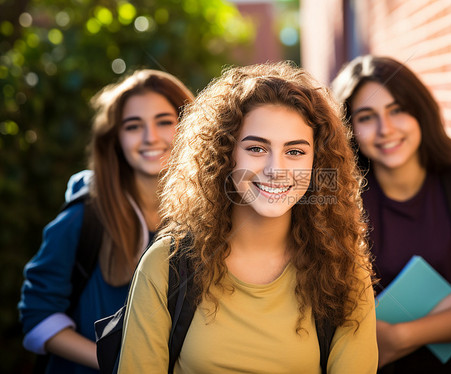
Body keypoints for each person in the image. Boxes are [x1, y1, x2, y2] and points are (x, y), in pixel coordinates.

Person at [117, 61, 378, 373]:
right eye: (256, 148)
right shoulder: (167, 264)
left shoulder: (345, 271)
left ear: (316, 162)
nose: (275, 169)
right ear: (225, 155)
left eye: (295, 152)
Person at [331, 55, 451, 373]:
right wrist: (444, 318)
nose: (385, 129)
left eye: (397, 110)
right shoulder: (339, 201)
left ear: (420, 111)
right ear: (348, 129)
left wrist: (398, 336)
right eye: (366, 117)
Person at [18, 69, 195, 373]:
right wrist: (115, 363)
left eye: (164, 121)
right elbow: (37, 316)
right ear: (115, 139)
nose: (150, 137)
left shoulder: (205, 219)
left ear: (191, 126)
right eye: (133, 126)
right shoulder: (84, 216)